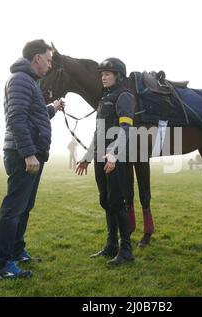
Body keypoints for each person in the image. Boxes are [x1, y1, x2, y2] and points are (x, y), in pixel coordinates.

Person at [0, 39, 65, 279]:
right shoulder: (21, 80)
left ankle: (16, 250)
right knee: (13, 209)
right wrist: (28, 153)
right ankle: (2, 265)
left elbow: (35, 115)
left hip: (31, 153)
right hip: (23, 154)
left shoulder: (29, 82)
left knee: (24, 207)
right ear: (37, 59)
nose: (50, 65)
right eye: (48, 59)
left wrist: (53, 108)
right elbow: (16, 118)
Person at [75, 57, 135, 266]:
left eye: (107, 73)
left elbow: (127, 129)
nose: (103, 77)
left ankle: (126, 250)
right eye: (102, 74)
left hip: (115, 159)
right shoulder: (104, 98)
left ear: (118, 75)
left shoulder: (124, 96)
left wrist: (114, 153)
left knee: (118, 203)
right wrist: (87, 158)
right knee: (106, 201)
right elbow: (98, 132)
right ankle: (111, 246)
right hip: (101, 159)